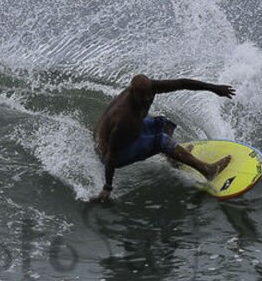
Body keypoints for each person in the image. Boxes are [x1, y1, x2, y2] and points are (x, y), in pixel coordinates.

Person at [91, 74, 235, 202]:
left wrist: (214, 88)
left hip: (132, 133)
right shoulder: (124, 118)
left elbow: (181, 83)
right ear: (132, 93)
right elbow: (111, 156)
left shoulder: (151, 88)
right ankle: (207, 171)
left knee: (164, 124)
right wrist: (107, 188)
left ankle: (173, 159)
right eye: (142, 96)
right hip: (110, 151)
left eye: (149, 94)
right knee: (162, 140)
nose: (147, 99)